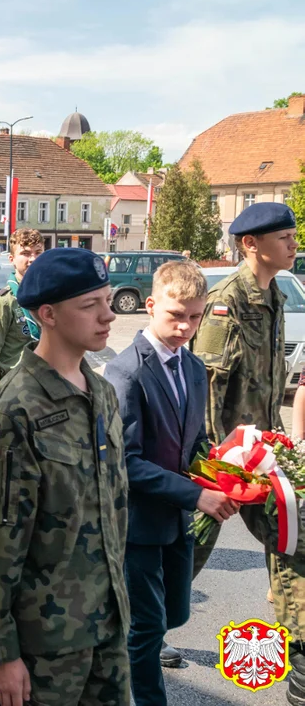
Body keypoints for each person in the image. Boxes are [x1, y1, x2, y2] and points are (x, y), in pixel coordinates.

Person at [0, 248, 128, 706]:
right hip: (45, 645)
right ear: (48, 314)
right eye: (91, 305)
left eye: (108, 300)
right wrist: (1, 653)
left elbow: (114, 510)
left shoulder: (103, 394)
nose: (108, 315)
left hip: (107, 626)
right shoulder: (12, 412)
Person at [104, 260, 239, 705]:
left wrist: (232, 472)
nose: (185, 326)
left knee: (173, 614)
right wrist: (197, 494)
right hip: (139, 522)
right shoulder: (127, 372)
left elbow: (195, 441)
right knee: (147, 626)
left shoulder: (195, 368)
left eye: (195, 317)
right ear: (150, 305)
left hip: (178, 518)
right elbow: (128, 461)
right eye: (175, 315)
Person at [188, 203, 305, 700]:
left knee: (292, 533)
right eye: (284, 236)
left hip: (262, 448)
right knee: (186, 548)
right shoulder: (226, 301)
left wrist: (277, 446)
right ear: (250, 244)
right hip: (224, 457)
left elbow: (270, 382)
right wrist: (219, 468)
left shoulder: (273, 292)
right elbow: (208, 388)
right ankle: (133, 631)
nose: (294, 244)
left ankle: (298, 651)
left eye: (294, 235)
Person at [0, 228, 43, 386]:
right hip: (15, 389)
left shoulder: (50, 299)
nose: (33, 259)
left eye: (38, 252)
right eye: (26, 253)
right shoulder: (2, 302)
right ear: (12, 259)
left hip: (46, 387)